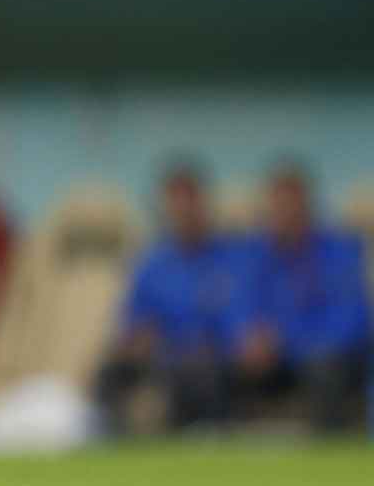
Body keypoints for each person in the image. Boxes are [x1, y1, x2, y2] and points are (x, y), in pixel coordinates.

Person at [94, 161, 246, 434]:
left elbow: (239, 319)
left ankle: (212, 440)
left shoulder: (231, 258)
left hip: (213, 355)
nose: (183, 213)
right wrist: (134, 340)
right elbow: (134, 321)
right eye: (176, 205)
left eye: (190, 203)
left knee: (202, 371)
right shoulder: (151, 264)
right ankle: (113, 445)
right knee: (109, 372)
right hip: (164, 354)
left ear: (203, 206)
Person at [230, 160, 371, 432]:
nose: (284, 213)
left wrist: (286, 339)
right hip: (272, 362)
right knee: (215, 365)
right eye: (277, 205)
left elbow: (354, 320)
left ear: (307, 204)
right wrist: (247, 337)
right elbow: (238, 307)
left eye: (290, 204)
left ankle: (327, 452)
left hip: (323, 357)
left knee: (325, 367)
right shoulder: (255, 254)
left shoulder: (338, 252)